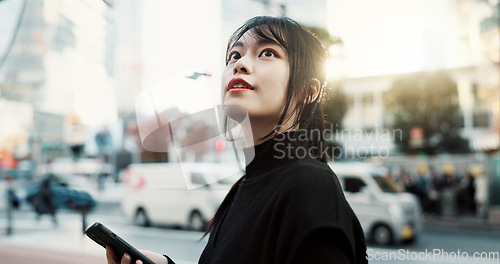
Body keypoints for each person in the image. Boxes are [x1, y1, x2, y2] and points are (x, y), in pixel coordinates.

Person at [106, 16, 367, 264]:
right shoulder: (245, 186)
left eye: (268, 52)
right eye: (235, 55)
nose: (239, 65)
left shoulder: (310, 186)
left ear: (308, 91)